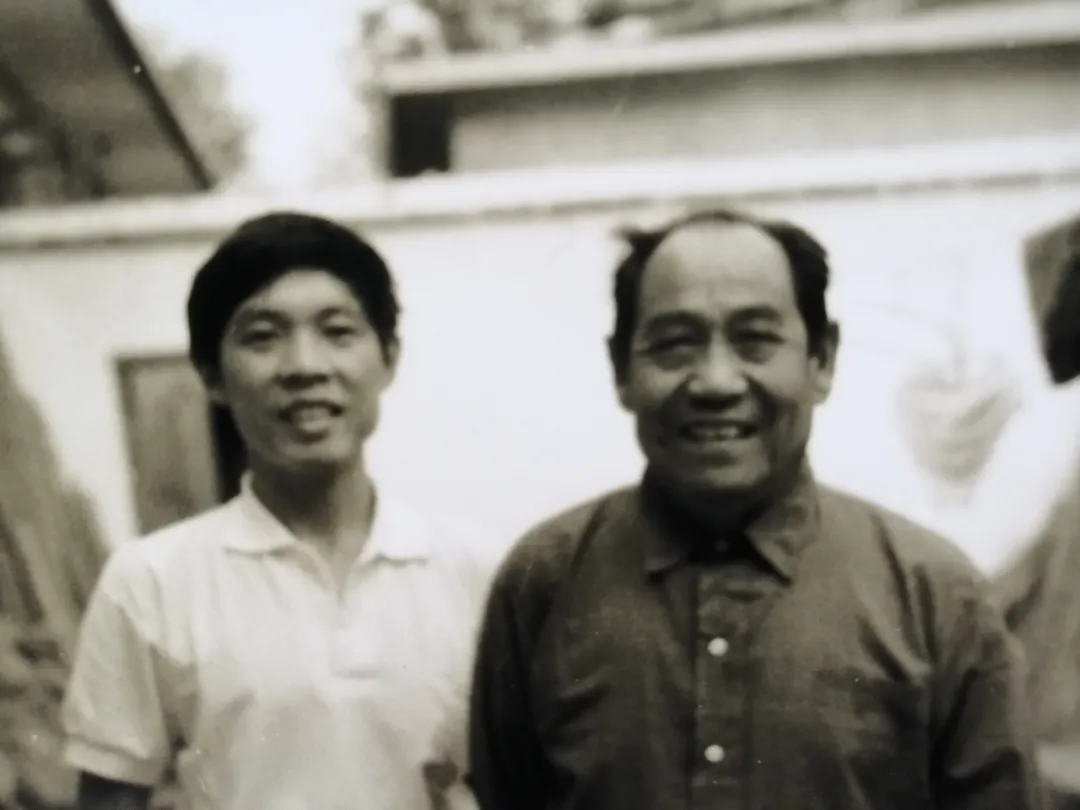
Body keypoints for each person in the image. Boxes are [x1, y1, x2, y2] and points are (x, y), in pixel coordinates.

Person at [468, 208, 1043, 810]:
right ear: (621, 368)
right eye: (675, 344)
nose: (716, 382)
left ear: (822, 359)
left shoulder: (936, 596)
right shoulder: (543, 583)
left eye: (755, 340)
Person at [62, 212, 495, 810]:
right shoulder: (151, 581)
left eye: (337, 331)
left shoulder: (478, 569)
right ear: (212, 375)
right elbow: (110, 798)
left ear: (389, 357)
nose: (304, 367)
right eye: (263, 337)